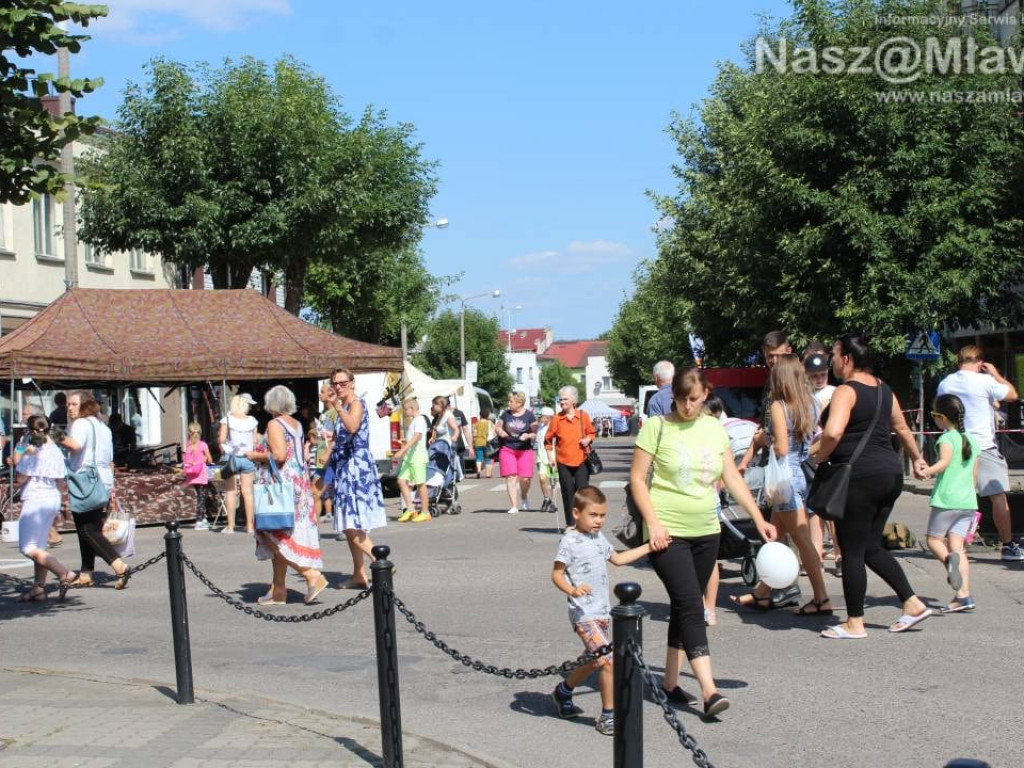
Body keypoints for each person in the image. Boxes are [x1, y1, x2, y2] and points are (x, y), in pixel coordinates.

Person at [630, 367, 777, 716]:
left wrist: (758, 518)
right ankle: (709, 691)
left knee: (684, 606)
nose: (687, 406)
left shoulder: (713, 428)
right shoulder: (657, 427)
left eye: (693, 399)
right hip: (668, 533)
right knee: (692, 606)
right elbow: (637, 479)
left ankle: (669, 683)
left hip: (707, 530)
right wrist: (654, 523)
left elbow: (731, 477)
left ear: (705, 396)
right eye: (681, 399)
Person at [815, 333, 932, 638]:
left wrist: (820, 456)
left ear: (846, 359)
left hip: (859, 477)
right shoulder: (884, 389)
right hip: (889, 474)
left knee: (852, 550)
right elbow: (901, 427)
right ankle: (912, 603)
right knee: (870, 547)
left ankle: (854, 622)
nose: (832, 361)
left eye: (834, 355)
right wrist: (917, 459)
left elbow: (833, 432)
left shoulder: (845, 391)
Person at [730, 355, 832, 616]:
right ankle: (762, 593)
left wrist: (767, 439)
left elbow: (782, 448)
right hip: (798, 475)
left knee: (802, 540)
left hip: (783, 480)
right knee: (774, 534)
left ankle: (821, 598)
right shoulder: (810, 403)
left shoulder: (779, 406)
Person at [550, 487, 652, 736]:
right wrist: (572, 590)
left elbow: (618, 559)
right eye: (593, 515)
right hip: (583, 613)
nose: (599, 521)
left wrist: (650, 547)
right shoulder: (569, 540)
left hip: (602, 611)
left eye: (602, 515)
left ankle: (563, 691)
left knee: (594, 660)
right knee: (608, 660)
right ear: (577, 513)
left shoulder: (598, 538)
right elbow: (556, 574)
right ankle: (608, 716)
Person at [937, 345, 1022, 561]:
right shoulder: (984, 381)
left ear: (959, 362)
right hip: (983, 446)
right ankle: (1008, 546)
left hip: (956, 445)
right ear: (980, 363)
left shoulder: (946, 383)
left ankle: (954, 545)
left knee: (957, 497)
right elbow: (1013, 395)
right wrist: (995, 375)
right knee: (998, 496)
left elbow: (941, 411)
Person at [251, 385, 327, 606]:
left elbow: (279, 455)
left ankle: (311, 575)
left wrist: (254, 454)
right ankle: (278, 590)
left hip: (280, 486)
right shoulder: (296, 424)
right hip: (297, 484)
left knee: (270, 534)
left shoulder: (274, 424)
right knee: (284, 535)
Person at [61, 390, 130, 590]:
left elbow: (75, 446)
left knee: (87, 529)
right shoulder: (103, 427)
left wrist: (55, 434)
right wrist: (112, 486)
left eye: (74, 404)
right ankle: (86, 572)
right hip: (103, 480)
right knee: (89, 526)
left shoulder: (81, 424)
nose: (69, 408)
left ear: (84, 405)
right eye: (68, 404)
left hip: (86, 481)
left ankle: (119, 565)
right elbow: (109, 459)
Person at [325, 367, 387, 589]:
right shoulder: (345, 406)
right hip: (345, 465)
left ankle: (380, 560)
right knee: (348, 522)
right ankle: (359, 574)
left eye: (342, 383)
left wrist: (337, 407)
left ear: (352, 383)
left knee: (351, 523)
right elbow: (340, 436)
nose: (338, 387)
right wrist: (328, 450)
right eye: (335, 383)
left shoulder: (356, 404)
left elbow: (352, 426)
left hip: (356, 467)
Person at [920, 394, 980, 613]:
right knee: (958, 548)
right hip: (967, 501)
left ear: (942, 417)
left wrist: (927, 471)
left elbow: (944, 462)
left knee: (933, 540)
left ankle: (949, 563)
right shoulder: (972, 439)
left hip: (947, 499)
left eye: (934, 415)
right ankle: (963, 595)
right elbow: (975, 473)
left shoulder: (946, 439)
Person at [14, 414, 77, 602]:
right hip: (52, 498)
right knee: (39, 545)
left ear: (31, 431)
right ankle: (38, 588)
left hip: (35, 499)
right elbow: (60, 481)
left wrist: (21, 450)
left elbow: (20, 478)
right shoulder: (56, 450)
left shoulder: (33, 450)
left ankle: (64, 572)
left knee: (28, 547)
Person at [804, 352, 838, 571]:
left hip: (829, 454)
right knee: (813, 509)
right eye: (814, 376)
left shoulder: (834, 393)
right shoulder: (805, 396)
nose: (819, 379)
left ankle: (839, 553)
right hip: (810, 456)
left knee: (831, 509)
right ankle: (816, 557)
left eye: (822, 374)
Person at [545, 386, 595, 527]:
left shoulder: (583, 416)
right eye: (560, 399)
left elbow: (592, 433)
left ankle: (583, 522)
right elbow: (547, 440)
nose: (562, 402)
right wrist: (550, 457)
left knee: (582, 493)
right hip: (563, 461)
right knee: (567, 492)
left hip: (581, 460)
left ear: (574, 400)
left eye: (565, 399)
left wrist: (588, 439)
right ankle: (571, 524)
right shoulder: (557, 419)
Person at [218, 393, 259, 534]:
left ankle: (230, 526)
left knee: (231, 491)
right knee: (248, 492)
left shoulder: (227, 420)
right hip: (248, 457)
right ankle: (250, 526)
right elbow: (255, 441)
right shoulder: (252, 421)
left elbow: (221, 440)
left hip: (232, 457)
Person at [495, 391, 538, 514]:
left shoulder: (529, 415)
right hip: (507, 448)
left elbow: (535, 433)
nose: (508, 403)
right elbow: (497, 427)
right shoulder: (505, 414)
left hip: (524, 449)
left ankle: (523, 495)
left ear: (519, 403)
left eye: (511, 401)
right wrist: (500, 431)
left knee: (525, 479)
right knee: (511, 477)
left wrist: (528, 435)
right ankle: (514, 506)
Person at [394, 398, 430, 523]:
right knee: (401, 480)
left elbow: (417, 437)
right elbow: (414, 438)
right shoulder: (415, 420)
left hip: (417, 457)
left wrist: (402, 450)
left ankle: (425, 512)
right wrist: (405, 441)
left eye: (406, 410)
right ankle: (410, 509)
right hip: (410, 457)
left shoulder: (420, 420)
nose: (405, 412)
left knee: (420, 484)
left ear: (412, 409)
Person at [312, 383, 338, 525]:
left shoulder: (335, 412)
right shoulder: (324, 413)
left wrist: (328, 452)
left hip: (330, 459)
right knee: (315, 492)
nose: (319, 394)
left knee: (318, 492)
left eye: (322, 391)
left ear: (330, 394)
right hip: (321, 459)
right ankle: (314, 527)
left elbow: (338, 435)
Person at [183, 422, 214, 530]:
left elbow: (187, 461)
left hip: (192, 476)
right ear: (200, 432)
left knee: (200, 496)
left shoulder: (188, 446)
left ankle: (203, 519)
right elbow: (210, 460)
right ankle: (199, 521)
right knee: (202, 498)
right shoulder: (203, 445)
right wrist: (205, 459)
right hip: (201, 475)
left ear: (189, 433)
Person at [535, 406, 557, 514]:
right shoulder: (540, 427)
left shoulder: (555, 428)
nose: (539, 418)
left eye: (541, 417)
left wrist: (555, 458)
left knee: (553, 481)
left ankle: (553, 503)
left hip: (553, 458)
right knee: (542, 478)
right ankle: (546, 498)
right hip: (541, 458)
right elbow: (538, 443)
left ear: (548, 417)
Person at [473, 406, 495, 479]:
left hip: (478, 442)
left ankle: (479, 470)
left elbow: (474, 433)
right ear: (488, 415)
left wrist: (473, 442)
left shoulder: (477, 423)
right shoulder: (490, 423)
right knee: (487, 458)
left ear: (480, 415)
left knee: (478, 458)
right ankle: (488, 474)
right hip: (487, 443)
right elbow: (494, 432)